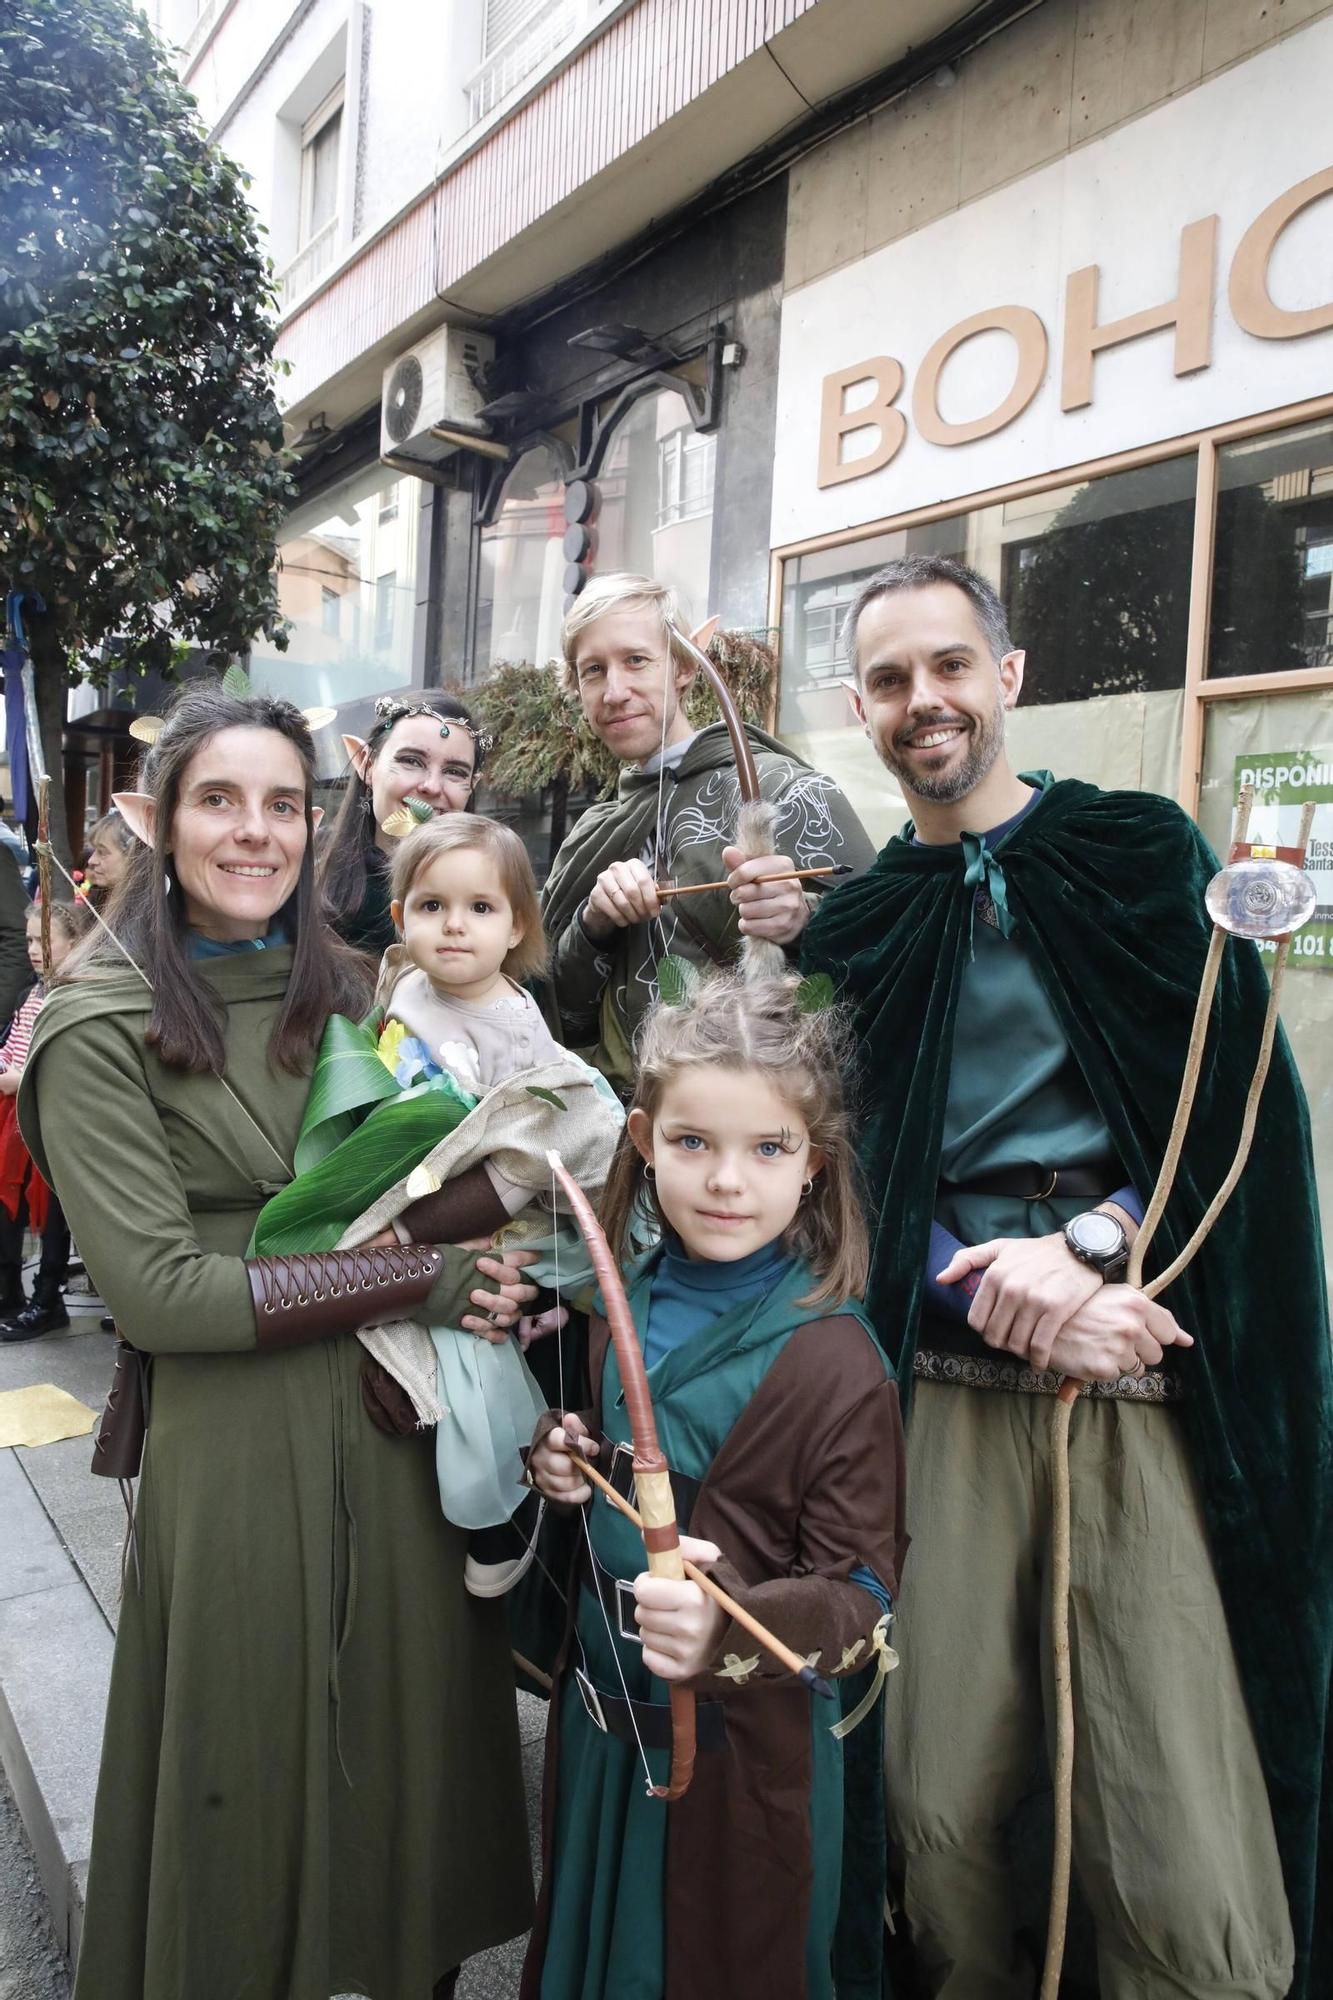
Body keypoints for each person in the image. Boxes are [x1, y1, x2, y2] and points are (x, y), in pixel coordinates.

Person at [798, 554, 1331, 2000]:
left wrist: (1093, 1248)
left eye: (951, 665)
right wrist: (985, 1285)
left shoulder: (1139, 854)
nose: (927, 701)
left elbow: (1232, 1116)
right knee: (939, 1805)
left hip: (1137, 1367)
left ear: (1009, 678)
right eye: (894, 678)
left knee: (1170, 1816)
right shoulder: (862, 929)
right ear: (861, 706)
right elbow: (840, 1177)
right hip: (948, 1383)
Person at [18, 684, 537, 2000]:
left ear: (319, 825)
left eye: (282, 805)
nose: (252, 833)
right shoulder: (97, 1026)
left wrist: (512, 1264)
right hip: (237, 1445)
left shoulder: (372, 991)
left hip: (397, 1432)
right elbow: (163, 1297)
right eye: (218, 801)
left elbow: (469, 1155)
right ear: (162, 821)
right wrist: (424, 1276)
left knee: (409, 1772)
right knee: (240, 1779)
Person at [522, 972, 906, 2000]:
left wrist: (730, 1628)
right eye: (693, 1142)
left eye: (767, 1148)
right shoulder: (622, 1302)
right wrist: (569, 1465)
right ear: (642, 1138)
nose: (725, 1179)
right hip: (607, 1731)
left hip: (742, 1758)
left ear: (813, 1164)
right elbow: (627, 1474)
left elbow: (862, 1595)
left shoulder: (836, 1361)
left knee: (707, 1960)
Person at [252, 811, 623, 1596]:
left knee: (474, 1356)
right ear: (400, 919)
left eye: (480, 909)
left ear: (517, 924)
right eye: (431, 907)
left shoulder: (515, 1023)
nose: (455, 928)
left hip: (494, 1216)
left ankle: (501, 1502)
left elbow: (527, 1138)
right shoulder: (403, 990)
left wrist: (413, 1231)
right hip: (414, 1189)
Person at [540, 572, 876, 1096]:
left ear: (683, 666)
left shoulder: (784, 791)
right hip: (616, 1130)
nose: (615, 690)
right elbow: (557, 1007)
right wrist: (594, 925)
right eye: (593, 670)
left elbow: (884, 957)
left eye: (636, 660)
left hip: (747, 1129)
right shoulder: (593, 832)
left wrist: (802, 920)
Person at [319, 689, 485, 953]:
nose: (431, 786)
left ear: (472, 785)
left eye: (454, 772)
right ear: (367, 765)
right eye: (411, 761)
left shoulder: (497, 901)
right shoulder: (305, 898)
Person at [0, 898, 89, 1339]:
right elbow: (14, 1044)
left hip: (57, 1120)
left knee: (54, 1212)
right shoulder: (30, 994)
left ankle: (48, 1297)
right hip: (19, 1116)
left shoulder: (72, 996)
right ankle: (16, 1292)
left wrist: (21, 1078)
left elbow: (62, 1061)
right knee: (18, 1205)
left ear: (73, 943)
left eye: (44, 940)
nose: (34, 949)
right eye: (30, 939)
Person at [82, 806, 137, 906]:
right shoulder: (98, 899)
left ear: (132, 856)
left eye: (102, 852)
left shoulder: (147, 911)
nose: (91, 860)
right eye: (94, 851)